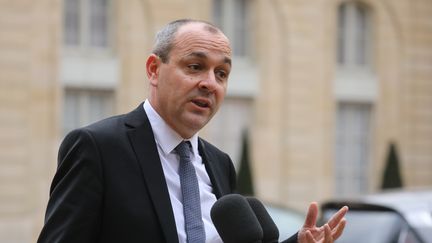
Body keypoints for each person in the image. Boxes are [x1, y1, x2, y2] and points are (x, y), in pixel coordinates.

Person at [37, 19, 347, 243]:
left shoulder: (220, 162)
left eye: (221, 73)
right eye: (195, 66)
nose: (210, 83)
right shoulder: (98, 147)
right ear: (154, 70)